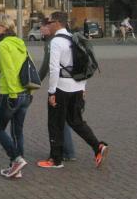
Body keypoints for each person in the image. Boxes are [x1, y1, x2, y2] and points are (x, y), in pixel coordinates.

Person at [37, 11, 108, 169]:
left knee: (55, 123)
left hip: (61, 87)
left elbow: (54, 69)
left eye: (50, 22)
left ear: (57, 23)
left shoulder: (56, 42)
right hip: (77, 87)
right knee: (77, 122)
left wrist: (52, 92)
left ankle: (55, 160)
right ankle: (97, 146)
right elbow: (83, 65)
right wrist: (83, 88)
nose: (48, 25)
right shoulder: (74, 38)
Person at [0, 13, 32, 179]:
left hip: (10, 93)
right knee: (17, 132)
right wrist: (30, 91)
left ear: (3, 27)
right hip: (25, 93)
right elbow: (28, 67)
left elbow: (8, 70)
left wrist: (12, 94)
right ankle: (16, 169)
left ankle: (16, 159)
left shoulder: (2, 45)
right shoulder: (20, 42)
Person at [38, 12, 76, 164]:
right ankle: (69, 150)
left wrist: (37, 82)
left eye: (42, 26)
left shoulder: (52, 42)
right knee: (69, 119)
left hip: (61, 85)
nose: (40, 29)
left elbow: (48, 66)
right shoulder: (67, 38)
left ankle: (64, 152)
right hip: (73, 84)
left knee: (59, 120)